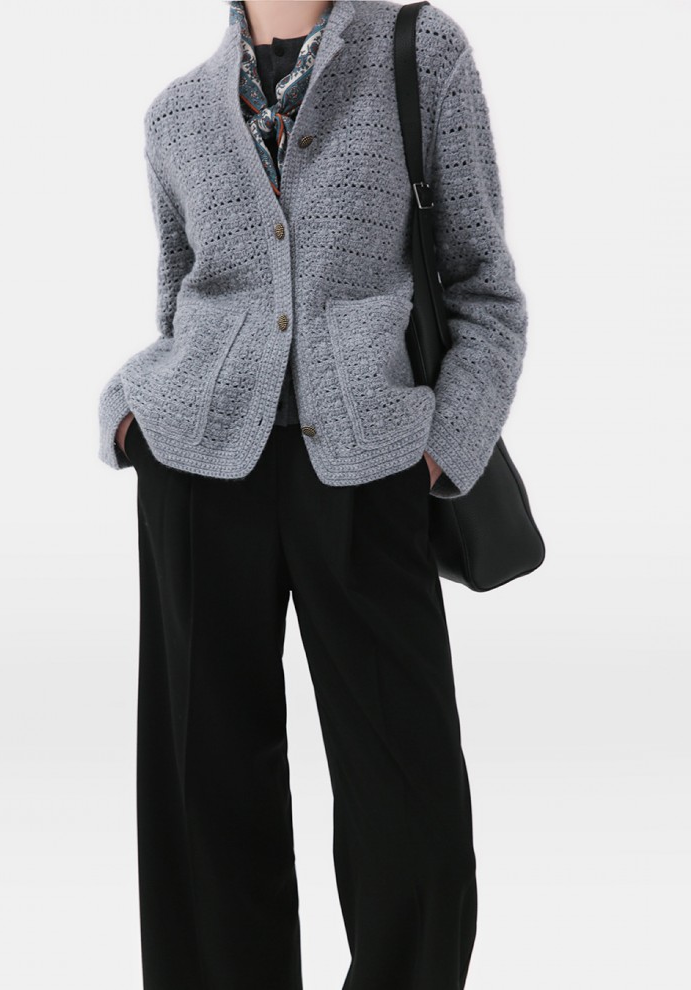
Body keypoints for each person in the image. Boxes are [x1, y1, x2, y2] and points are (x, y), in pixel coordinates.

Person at [97, 1, 528, 987]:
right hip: (199, 475)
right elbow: (180, 306)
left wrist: (439, 452)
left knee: (411, 812)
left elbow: (485, 293)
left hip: (370, 473)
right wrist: (133, 418)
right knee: (205, 803)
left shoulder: (421, 52)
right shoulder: (176, 114)